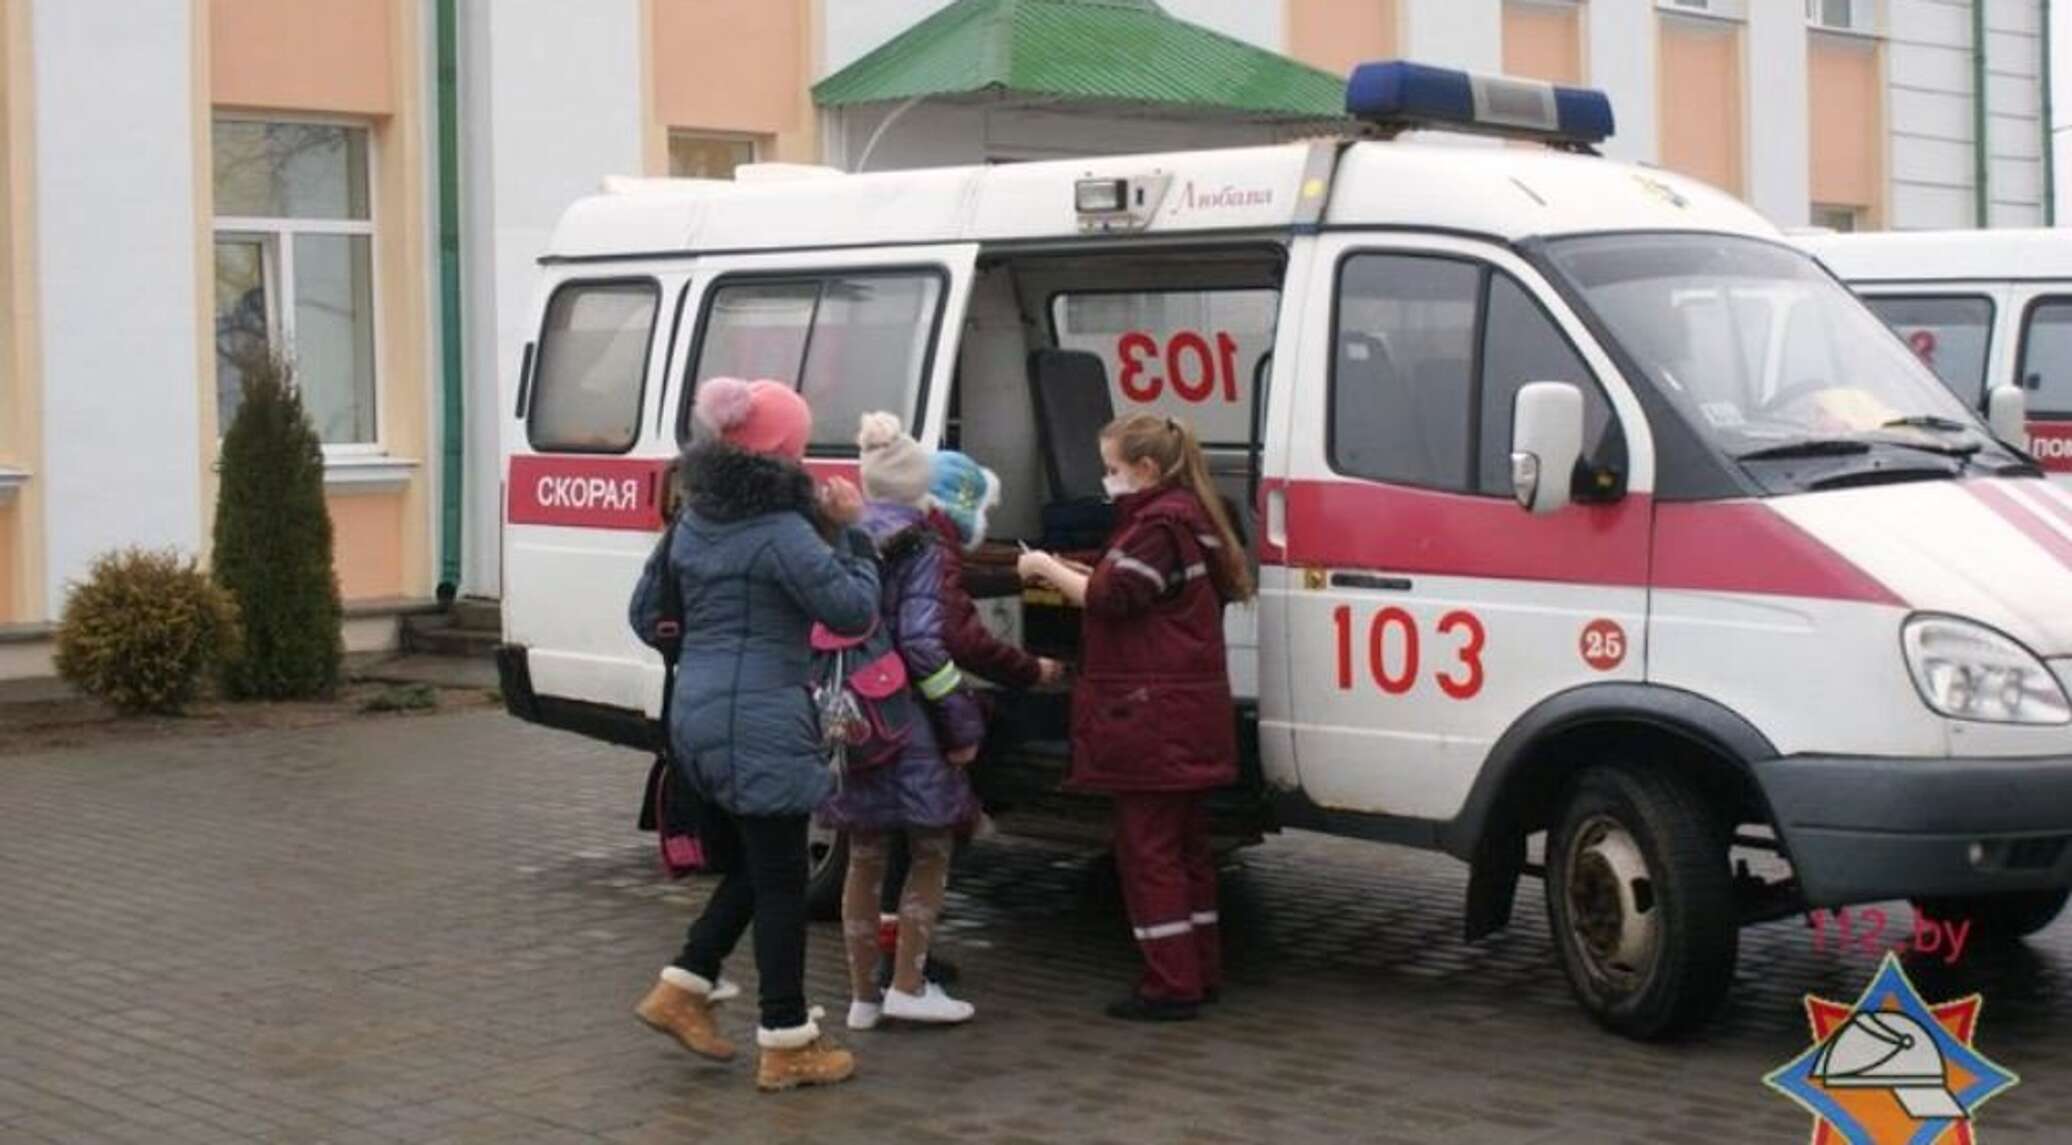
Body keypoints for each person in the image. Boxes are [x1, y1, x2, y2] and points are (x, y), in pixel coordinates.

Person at [628, 376, 879, 1092]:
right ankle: (787, 1037)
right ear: (784, 454)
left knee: (757, 866)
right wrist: (854, 531)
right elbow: (853, 609)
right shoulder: (781, 532)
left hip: (698, 715)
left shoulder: (692, 520)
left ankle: (683, 986)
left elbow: (647, 618)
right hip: (761, 717)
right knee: (781, 882)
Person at [1015, 413, 1252, 1022]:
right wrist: (1074, 569)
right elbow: (1131, 588)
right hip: (1190, 713)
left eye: (1112, 468)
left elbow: (1112, 597)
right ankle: (1201, 969)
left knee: (1149, 855)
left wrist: (1043, 570)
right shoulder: (1192, 519)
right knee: (1189, 851)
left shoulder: (1155, 525)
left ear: (1146, 469)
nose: (1106, 479)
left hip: (1152, 718)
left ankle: (1170, 985)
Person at [861, 447, 1065, 992]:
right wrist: (1026, 673)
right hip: (917, 715)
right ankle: (906, 971)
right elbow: (950, 640)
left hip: (878, 707)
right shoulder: (933, 549)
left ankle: (890, 967)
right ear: (963, 506)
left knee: (889, 846)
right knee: (926, 843)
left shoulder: (891, 534)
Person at [822, 413, 988, 1031]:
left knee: (864, 852)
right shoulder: (922, 545)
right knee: (929, 850)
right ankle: (910, 986)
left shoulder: (842, 539)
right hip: (909, 722)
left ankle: (864, 998)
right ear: (921, 487)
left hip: (852, 719)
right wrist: (962, 726)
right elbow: (923, 646)